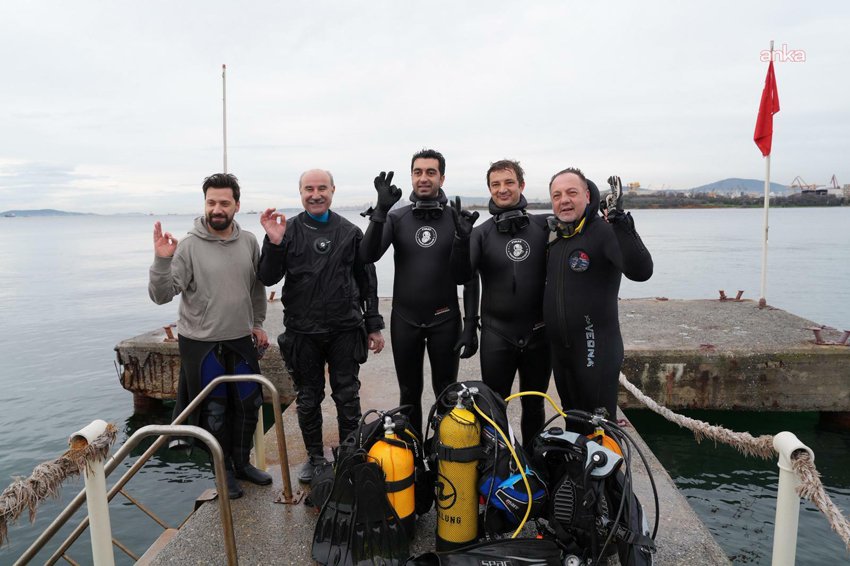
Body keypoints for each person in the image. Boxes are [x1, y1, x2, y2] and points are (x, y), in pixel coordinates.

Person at [257, 169, 384, 483]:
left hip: (344, 328)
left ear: (333, 190)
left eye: (322, 188)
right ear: (300, 192)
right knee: (309, 397)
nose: (316, 194)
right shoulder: (285, 231)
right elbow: (267, 277)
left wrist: (374, 324)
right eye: (309, 188)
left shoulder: (351, 232)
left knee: (347, 395)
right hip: (303, 331)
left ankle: (351, 454)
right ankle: (315, 457)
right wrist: (273, 244)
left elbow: (367, 281)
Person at [149, 173, 271, 499]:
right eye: (211, 202)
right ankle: (223, 471)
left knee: (249, 402)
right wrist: (162, 260)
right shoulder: (188, 246)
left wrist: (258, 324)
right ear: (205, 203)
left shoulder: (248, 241)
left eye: (224, 203)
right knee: (214, 411)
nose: (217, 208)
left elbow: (256, 289)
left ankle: (242, 464)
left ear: (237, 205)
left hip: (240, 337)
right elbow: (162, 295)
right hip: (201, 342)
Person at [360, 149, 478, 434]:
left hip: (446, 319)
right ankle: (413, 457)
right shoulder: (396, 218)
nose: (423, 178)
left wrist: (471, 325)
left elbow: (470, 278)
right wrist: (380, 211)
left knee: (447, 393)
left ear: (442, 177)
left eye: (430, 172)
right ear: (411, 176)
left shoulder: (456, 219)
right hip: (405, 319)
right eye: (418, 172)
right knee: (409, 392)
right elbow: (367, 255)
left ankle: (445, 456)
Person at [452, 160, 551, 447]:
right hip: (497, 333)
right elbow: (462, 276)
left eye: (508, 182)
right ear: (489, 190)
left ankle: (534, 464)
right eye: (495, 184)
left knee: (535, 405)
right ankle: (501, 463)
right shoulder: (480, 233)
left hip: (539, 333)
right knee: (494, 408)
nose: (502, 189)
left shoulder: (544, 225)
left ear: (521, 185)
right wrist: (461, 238)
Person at [544, 168, 653, 422]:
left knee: (600, 428)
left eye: (572, 192)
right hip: (561, 352)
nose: (564, 200)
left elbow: (641, 271)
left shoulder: (604, 230)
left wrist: (620, 222)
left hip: (596, 349)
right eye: (557, 195)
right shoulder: (554, 234)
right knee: (572, 420)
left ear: (588, 196)